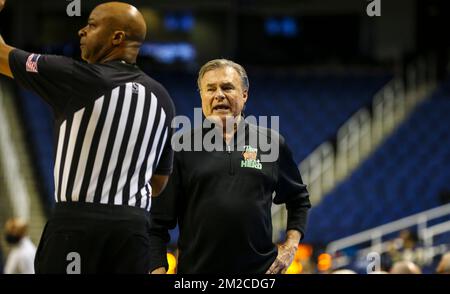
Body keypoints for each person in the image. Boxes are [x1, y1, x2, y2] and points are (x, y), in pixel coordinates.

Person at [0, 1, 175, 273]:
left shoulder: (75, 76)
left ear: (117, 37)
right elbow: (158, 181)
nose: (81, 31)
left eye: (92, 25)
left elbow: (1, 56)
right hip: (134, 231)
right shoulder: (163, 98)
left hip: (78, 226)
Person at [149, 59, 311, 274]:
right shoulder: (180, 147)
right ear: (202, 96)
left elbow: (298, 200)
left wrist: (290, 246)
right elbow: (156, 223)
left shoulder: (271, 143)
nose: (218, 95)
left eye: (227, 87)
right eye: (210, 89)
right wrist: (158, 269)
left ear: (244, 95)